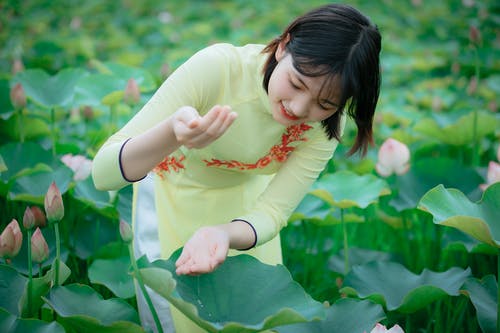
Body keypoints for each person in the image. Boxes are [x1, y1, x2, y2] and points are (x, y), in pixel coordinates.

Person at [92, 3, 381, 332]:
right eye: (298, 84)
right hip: (170, 200)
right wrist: (171, 133)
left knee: (261, 322)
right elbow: (102, 174)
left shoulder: (326, 124)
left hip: (244, 212)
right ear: (284, 45)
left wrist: (224, 233)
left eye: (325, 103)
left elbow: (273, 211)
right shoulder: (216, 70)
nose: (300, 108)